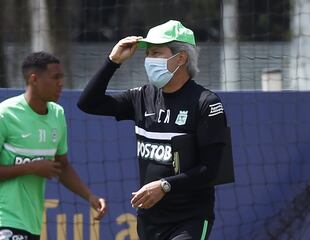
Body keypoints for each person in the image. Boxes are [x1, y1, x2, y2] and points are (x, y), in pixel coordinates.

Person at [78, 20, 227, 240]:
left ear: (181, 58)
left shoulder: (206, 103)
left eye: (156, 53)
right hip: (149, 221)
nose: (149, 60)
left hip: (190, 220)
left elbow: (212, 170)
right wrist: (113, 61)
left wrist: (166, 185)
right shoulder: (142, 97)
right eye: (147, 54)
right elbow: (88, 103)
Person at [0, 51, 107, 240]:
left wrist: (90, 197)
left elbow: (62, 166)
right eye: (55, 77)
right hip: (5, 220)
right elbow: (40, 167)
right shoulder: (5, 115)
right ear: (34, 79)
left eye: (62, 77)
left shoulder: (57, 114)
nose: (61, 83)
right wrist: (33, 167)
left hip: (31, 223)